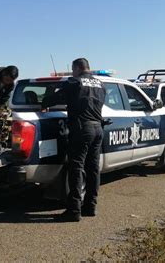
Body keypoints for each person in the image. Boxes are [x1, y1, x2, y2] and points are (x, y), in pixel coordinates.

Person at [42, 58, 106, 222]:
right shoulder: (100, 84)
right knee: (93, 169)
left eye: (73, 69)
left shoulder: (74, 82)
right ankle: (90, 206)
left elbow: (56, 98)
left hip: (81, 128)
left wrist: (45, 102)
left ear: (76, 68)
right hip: (98, 128)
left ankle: (74, 210)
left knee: (76, 167)